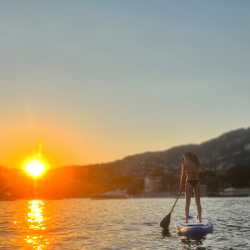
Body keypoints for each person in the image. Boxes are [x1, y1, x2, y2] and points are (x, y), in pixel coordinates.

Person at [179, 152, 205, 223]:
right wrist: (197, 166)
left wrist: (181, 185)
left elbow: (183, 176)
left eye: (184, 158)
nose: (184, 159)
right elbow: (203, 170)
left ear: (187, 157)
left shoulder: (184, 164)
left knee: (187, 202)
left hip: (189, 182)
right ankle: (199, 219)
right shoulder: (196, 163)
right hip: (197, 182)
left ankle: (186, 220)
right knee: (198, 202)